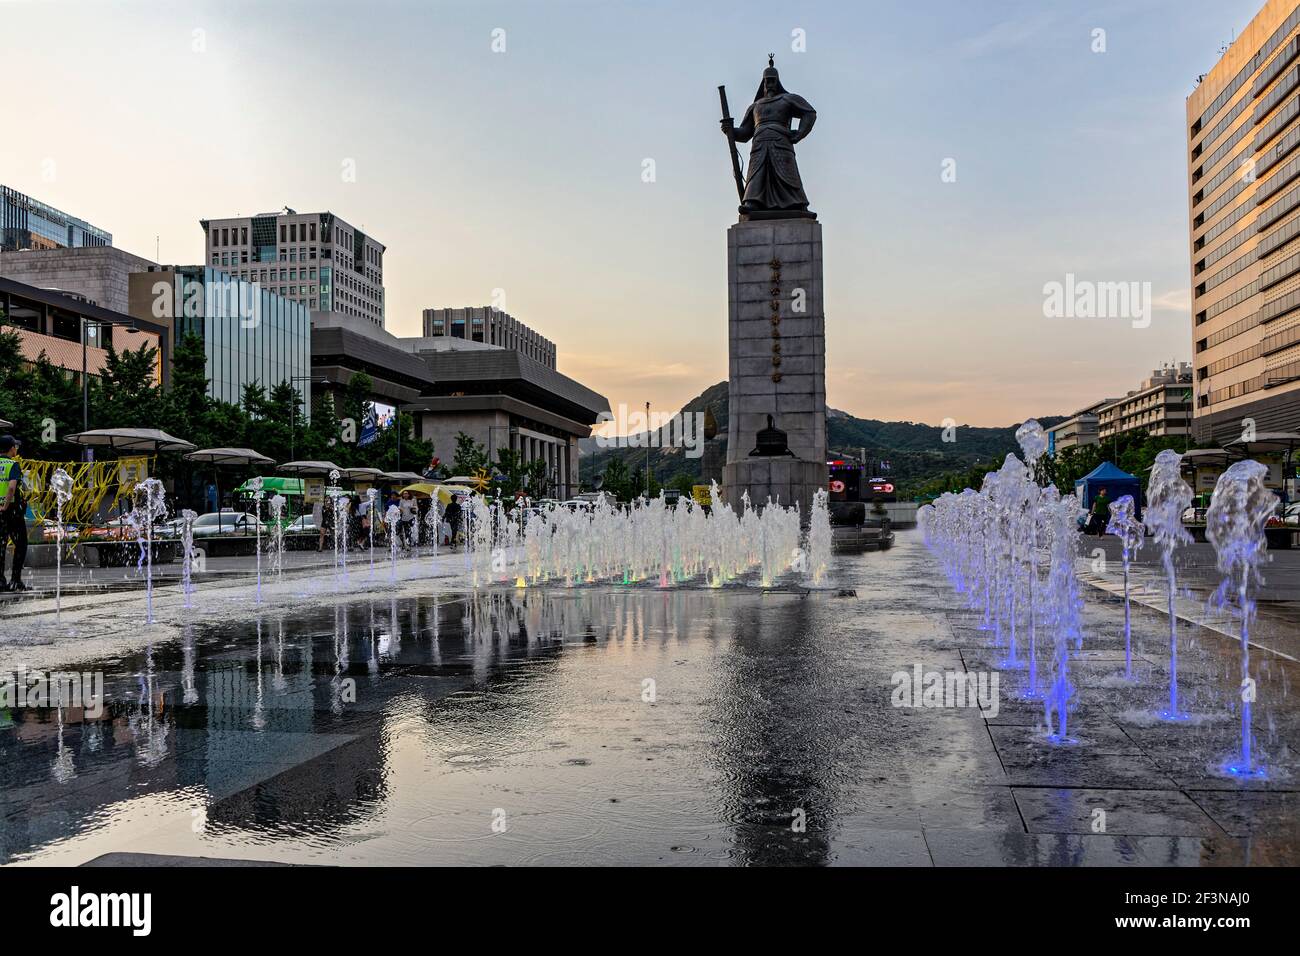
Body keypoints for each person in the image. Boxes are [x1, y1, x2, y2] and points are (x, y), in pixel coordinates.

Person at [0, 435, 29, 592]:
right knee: (21, 544)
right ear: (11, 448)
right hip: (11, 510)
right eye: (15, 447)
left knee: (1, 544)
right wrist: (5, 506)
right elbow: (11, 488)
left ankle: (0, 581)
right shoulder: (13, 465)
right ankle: (15, 580)